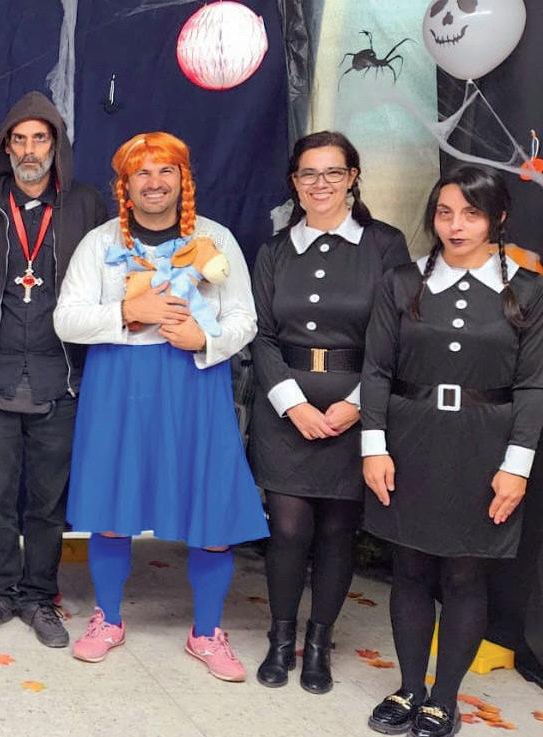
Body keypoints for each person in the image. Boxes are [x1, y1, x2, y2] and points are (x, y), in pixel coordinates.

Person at [53, 131, 267, 681]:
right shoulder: (99, 243)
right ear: (124, 185)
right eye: (141, 173)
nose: (154, 183)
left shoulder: (215, 239)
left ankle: (206, 631)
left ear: (182, 179)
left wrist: (205, 338)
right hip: (119, 383)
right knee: (112, 505)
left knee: (210, 510)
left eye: (165, 171)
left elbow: (245, 318)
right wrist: (128, 312)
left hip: (194, 382)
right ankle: (108, 618)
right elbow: (66, 319)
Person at [361, 166, 542, 737]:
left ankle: (444, 698)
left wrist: (516, 466)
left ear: (498, 219)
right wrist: (374, 447)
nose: (455, 226)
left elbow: (534, 385)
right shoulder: (402, 282)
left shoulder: (528, 290)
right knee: (410, 569)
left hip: (485, 446)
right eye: (444, 213)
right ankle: (409, 687)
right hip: (410, 439)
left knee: (465, 575)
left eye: (471, 214)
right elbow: (376, 370)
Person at [249, 131, 410, 693]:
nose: (320, 184)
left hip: (357, 406)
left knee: (339, 531)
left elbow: (397, 335)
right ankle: (280, 638)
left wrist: (357, 406)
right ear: (294, 183)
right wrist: (292, 404)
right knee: (288, 529)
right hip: (285, 409)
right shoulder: (274, 251)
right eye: (308, 174)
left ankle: (319, 643)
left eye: (333, 173)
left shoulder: (384, 245)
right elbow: (261, 335)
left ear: (352, 178)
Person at [0, 90, 106, 646]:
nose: (29, 150)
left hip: (58, 378)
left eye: (39, 138)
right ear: (6, 147)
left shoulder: (86, 205)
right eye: (19, 140)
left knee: (47, 503)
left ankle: (39, 597)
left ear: (55, 144)